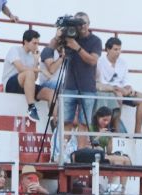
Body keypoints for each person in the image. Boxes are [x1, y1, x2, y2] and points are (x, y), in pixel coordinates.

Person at [56, 12, 102, 147]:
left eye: (84, 23)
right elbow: (52, 48)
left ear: (89, 24)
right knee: (65, 121)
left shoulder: (95, 40)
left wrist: (77, 47)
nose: (81, 26)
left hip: (87, 87)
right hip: (69, 86)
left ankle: (80, 154)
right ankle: (62, 153)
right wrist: (58, 35)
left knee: (84, 122)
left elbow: (93, 60)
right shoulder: (69, 36)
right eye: (78, 23)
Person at [96, 36, 142, 134]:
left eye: (119, 49)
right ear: (108, 49)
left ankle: (138, 131)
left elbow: (126, 81)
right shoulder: (100, 62)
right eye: (115, 49)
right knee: (119, 96)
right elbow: (102, 83)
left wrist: (128, 89)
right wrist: (118, 90)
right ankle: (116, 130)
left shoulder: (123, 62)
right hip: (109, 91)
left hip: (121, 91)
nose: (118, 52)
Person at [2, 29, 49, 122]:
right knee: (29, 72)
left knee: (51, 93)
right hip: (10, 85)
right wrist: (40, 70)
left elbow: (34, 79)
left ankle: (54, 122)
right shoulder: (14, 49)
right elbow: (21, 68)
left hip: (26, 85)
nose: (36, 46)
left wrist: (36, 61)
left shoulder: (33, 56)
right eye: (34, 43)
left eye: (38, 43)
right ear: (26, 42)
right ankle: (31, 107)